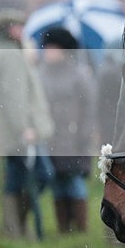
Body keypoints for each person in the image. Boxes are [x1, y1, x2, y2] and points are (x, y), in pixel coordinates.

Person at [0, 9, 54, 239]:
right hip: (21, 130)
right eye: (17, 26)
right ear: (7, 28)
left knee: (17, 178)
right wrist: (24, 127)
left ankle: (15, 228)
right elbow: (14, 97)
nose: (22, 30)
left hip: (12, 129)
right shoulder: (10, 55)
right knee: (40, 175)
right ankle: (16, 226)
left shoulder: (2, 51)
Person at [38, 28, 97, 233]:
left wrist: (84, 134)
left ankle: (80, 229)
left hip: (74, 138)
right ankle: (63, 229)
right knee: (57, 184)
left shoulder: (79, 74)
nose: (48, 52)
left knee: (74, 183)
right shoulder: (41, 72)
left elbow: (90, 107)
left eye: (52, 48)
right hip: (50, 138)